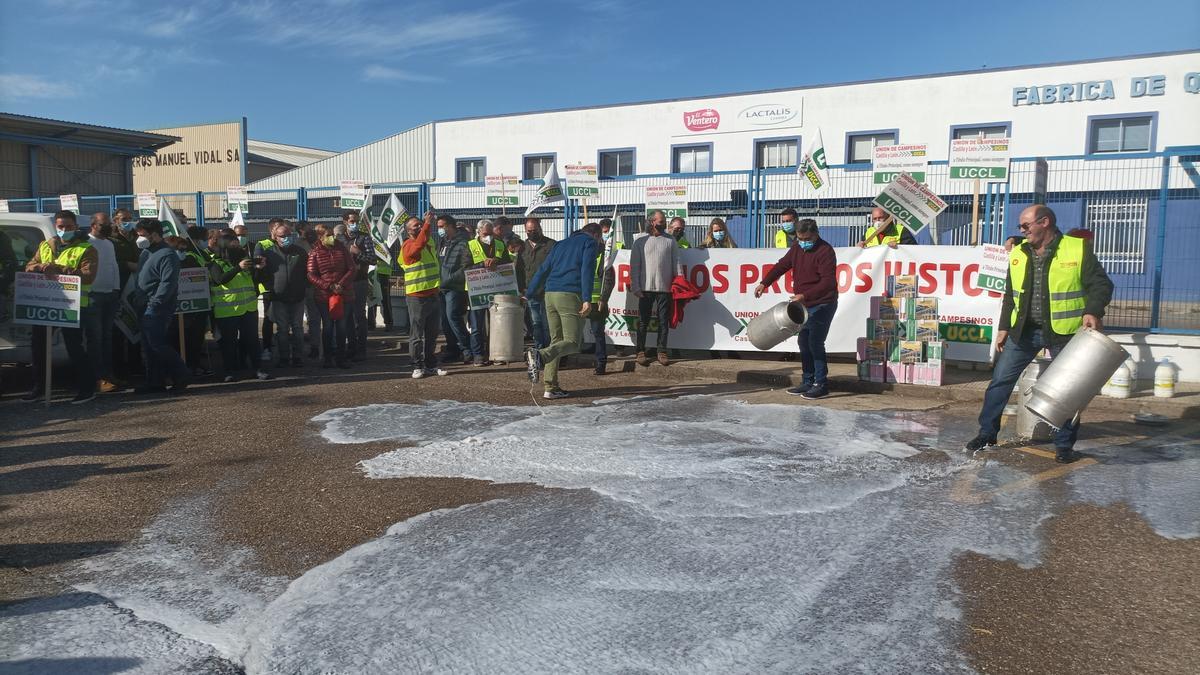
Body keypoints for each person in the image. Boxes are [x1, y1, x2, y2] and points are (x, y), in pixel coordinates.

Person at [964, 205, 1114, 463]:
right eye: (1020, 228)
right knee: (999, 383)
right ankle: (987, 434)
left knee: (1068, 391)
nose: (1021, 231)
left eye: (1025, 226)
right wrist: (1002, 328)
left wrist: (1093, 310)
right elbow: (1010, 295)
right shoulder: (1019, 253)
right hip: (1023, 331)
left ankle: (1064, 445)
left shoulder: (1076, 249)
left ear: (1044, 223)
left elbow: (1102, 284)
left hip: (1063, 332)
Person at [756, 218, 838, 399]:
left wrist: (805, 296)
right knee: (803, 342)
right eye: (800, 239)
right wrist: (765, 282)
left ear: (816, 234)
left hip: (823, 303)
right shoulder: (796, 248)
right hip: (805, 305)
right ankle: (807, 381)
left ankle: (821, 383)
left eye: (807, 239)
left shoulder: (825, 251)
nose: (803, 243)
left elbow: (828, 282)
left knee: (815, 342)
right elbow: (782, 265)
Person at [21, 211, 99, 403]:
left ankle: (87, 388)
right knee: (38, 345)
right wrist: (39, 267)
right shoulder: (46, 245)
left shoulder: (86, 248)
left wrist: (61, 270)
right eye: (61, 227)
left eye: (69, 227)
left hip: (72, 306)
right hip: (46, 303)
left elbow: (88, 275)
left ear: (75, 227)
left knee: (74, 347)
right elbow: (29, 266)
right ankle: (40, 387)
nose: (64, 230)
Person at [525, 223, 600, 399]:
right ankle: (539, 355)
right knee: (573, 342)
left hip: (550, 295)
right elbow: (587, 270)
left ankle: (550, 387)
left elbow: (543, 269)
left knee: (556, 340)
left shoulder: (560, 244)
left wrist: (529, 292)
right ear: (595, 234)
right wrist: (587, 299)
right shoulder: (589, 243)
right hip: (570, 294)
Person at [133, 219, 191, 395]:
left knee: (157, 344)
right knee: (149, 346)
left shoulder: (167, 254)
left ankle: (182, 375)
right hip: (144, 304)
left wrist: (155, 303)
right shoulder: (145, 253)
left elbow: (168, 283)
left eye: (142, 235)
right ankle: (155, 382)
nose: (139, 238)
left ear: (155, 235)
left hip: (157, 307)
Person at [208, 230, 270, 381]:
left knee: (252, 341)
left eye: (238, 245)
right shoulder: (215, 263)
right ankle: (229, 371)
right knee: (228, 343)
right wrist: (238, 268)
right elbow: (220, 279)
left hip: (249, 308)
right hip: (227, 310)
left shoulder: (245, 261)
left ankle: (257, 369)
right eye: (233, 246)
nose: (237, 248)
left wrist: (259, 269)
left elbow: (256, 281)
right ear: (224, 247)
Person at [400, 213, 448, 378]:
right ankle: (416, 365)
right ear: (408, 231)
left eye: (421, 224)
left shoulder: (429, 242)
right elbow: (417, 248)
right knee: (417, 334)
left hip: (433, 293)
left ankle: (430, 364)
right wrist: (427, 224)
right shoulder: (408, 245)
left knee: (432, 333)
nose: (420, 227)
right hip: (417, 296)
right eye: (416, 225)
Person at [630, 211, 680, 366]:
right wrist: (636, 286)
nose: (664, 223)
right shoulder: (640, 242)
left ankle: (662, 351)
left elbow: (676, 263)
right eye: (661, 221)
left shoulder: (671, 241)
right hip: (645, 288)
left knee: (663, 321)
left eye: (664, 221)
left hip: (665, 288)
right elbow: (635, 266)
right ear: (652, 222)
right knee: (643, 321)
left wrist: (679, 283)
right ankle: (640, 351)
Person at [259, 221, 309, 368]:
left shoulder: (300, 252)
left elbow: (308, 272)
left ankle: (298, 357)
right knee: (282, 329)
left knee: (298, 328)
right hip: (279, 298)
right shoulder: (269, 253)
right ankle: (284, 358)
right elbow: (263, 274)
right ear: (275, 236)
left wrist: (303, 288)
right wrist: (270, 288)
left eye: (289, 235)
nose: (286, 238)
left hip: (298, 297)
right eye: (283, 236)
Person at [306, 223, 355, 369]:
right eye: (328, 235)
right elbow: (310, 274)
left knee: (341, 326)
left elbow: (352, 268)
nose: (331, 237)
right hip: (323, 295)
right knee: (327, 326)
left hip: (343, 293)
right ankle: (327, 358)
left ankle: (341, 358)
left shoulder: (342, 248)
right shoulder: (314, 252)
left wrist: (341, 284)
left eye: (332, 235)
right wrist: (329, 286)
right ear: (320, 237)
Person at [465, 219, 512, 366]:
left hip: (496, 288)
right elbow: (465, 267)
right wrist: (481, 264)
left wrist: (497, 262)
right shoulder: (470, 245)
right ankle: (478, 355)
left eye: (490, 233)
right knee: (477, 325)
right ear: (478, 232)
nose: (488, 236)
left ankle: (496, 353)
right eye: (485, 234)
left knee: (497, 323)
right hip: (476, 291)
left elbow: (508, 264)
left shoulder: (499, 244)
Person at [87, 213, 121, 392]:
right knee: (96, 339)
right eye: (103, 224)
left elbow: (113, 266)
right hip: (93, 296)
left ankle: (108, 374)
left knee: (107, 338)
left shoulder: (109, 243)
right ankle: (97, 378)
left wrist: (116, 289)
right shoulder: (87, 242)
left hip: (110, 295)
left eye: (108, 224)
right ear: (93, 225)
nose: (107, 226)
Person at [110, 208, 142, 382]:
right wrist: (127, 265)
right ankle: (119, 369)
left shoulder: (136, 238)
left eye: (130, 218)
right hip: (119, 287)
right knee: (118, 332)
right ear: (115, 220)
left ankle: (135, 365)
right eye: (124, 219)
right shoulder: (112, 240)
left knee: (135, 327)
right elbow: (110, 261)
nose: (127, 222)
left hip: (135, 288)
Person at [436, 214, 471, 365]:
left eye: (441, 226)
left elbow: (466, 266)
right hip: (441, 287)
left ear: (451, 226)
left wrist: (449, 279)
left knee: (453, 317)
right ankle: (452, 349)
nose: (439, 230)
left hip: (454, 287)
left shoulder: (463, 243)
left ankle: (466, 348)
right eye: (438, 227)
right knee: (445, 321)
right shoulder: (443, 242)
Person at [519, 217, 556, 349]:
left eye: (534, 230)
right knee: (536, 323)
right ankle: (539, 349)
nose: (532, 233)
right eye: (529, 231)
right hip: (530, 292)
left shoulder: (551, 245)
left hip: (547, 290)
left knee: (548, 324)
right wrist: (521, 288)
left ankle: (549, 349)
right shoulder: (522, 248)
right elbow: (519, 269)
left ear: (540, 228)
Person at [588, 223, 618, 375]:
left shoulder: (603, 256)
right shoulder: (582, 252)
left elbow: (609, 279)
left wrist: (603, 298)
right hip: (580, 299)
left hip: (597, 302)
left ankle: (601, 362)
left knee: (598, 332)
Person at [344, 211, 373, 362]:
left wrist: (358, 253)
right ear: (345, 222)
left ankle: (362, 350)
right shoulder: (339, 239)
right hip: (344, 283)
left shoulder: (364, 238)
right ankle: (351, 347)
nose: (354, 223)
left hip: (359, 281)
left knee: (359, 315)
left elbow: (373, 259)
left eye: (356, 221)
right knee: (346, 316)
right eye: (352, 221)